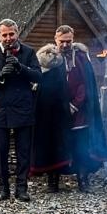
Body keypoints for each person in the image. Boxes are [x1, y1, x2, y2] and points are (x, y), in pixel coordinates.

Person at [0, 19, 40, 202]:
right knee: (1, 150)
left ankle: (21, 188)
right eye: (4, 35)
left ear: (17, 33)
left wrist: (20, 67)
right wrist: (0, 76)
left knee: (23, 151)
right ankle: (3, 188)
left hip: (23, 108)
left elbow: (39, 76)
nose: (8, 38)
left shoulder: (28, 52)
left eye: (11, 34)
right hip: (1, 110)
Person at [52, 25, 106, 192]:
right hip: (56, 113)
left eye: (69, 41)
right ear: (56, 40)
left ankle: (83, 181)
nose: (66, 45)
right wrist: (60, 106)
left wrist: (74, 105)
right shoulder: (49, 58)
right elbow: (47, 86)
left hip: (79, 112)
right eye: (62, 41)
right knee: (55, 146)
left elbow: (86, 85)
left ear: (73, 39)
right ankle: (53, 182)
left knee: (81, 146)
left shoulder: (82, 58)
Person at [29, 42, 73, 192]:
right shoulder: (38, 73)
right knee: (47, 147)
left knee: (57, 147)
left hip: (57, 116)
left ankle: (54, 180)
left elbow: (64, 92)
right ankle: (51, 181)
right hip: (43, 116)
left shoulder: (57, 71)